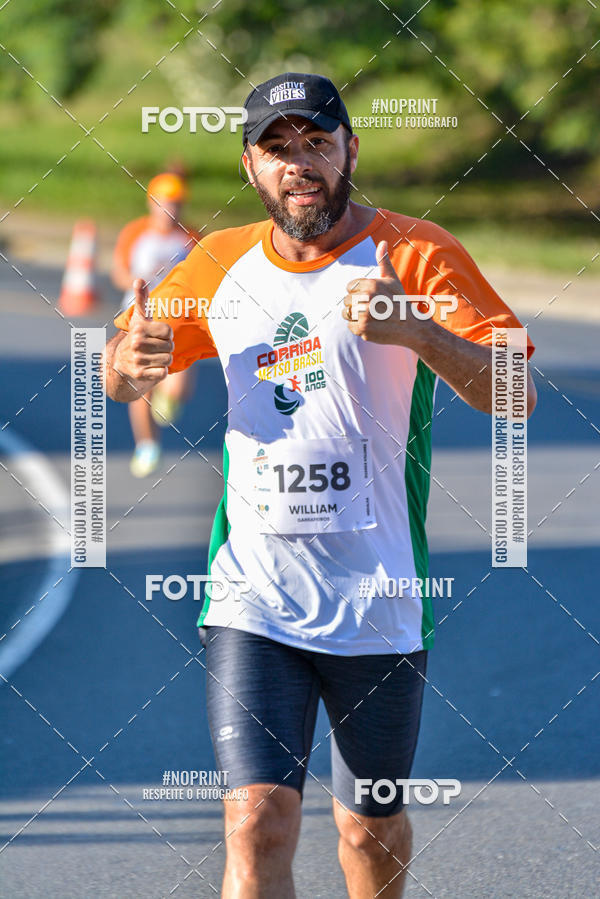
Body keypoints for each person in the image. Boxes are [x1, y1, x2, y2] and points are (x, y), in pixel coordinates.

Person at [103, 73, 537, 898]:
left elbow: (515, 390)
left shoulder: (415, 252)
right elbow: (122, 370)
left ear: (350, 151)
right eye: (277, 149)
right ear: (250, 166)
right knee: (257, 820)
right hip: (252, 595)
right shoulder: (219, 260)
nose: (298, 163)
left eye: (316, 143)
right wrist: (125, 367)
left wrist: (418, 329)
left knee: (366, 827)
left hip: (377, 596)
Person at [111, 171, 200, 477]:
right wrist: (141, 282)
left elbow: (203, 278)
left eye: (176, 204)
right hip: (141, 319)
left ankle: (169, 398)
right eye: (164, 204)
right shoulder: (136, 232)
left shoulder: (190, 237)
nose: (170, 210)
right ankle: (147, 444)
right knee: (140, 383)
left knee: (178, 388)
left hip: (180, 321)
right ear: (152, 204)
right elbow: (119, 273)